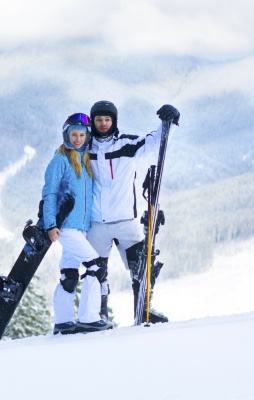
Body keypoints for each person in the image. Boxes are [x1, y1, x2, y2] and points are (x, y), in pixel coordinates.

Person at [86, 100, 180, 323]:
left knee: (144, 266)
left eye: (107, 119)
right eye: (98, 119)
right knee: (96, 273)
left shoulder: (126, 145)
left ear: (114, 121)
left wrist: (172, 121)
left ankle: (144, 309)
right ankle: (98, 316)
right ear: (92, 122)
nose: (103, 123)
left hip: (125, 222)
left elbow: (156, 142)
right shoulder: (84, 148)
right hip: (96, 224)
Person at [42, 112, 113, 334]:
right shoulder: (60, 160)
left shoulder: (85, 159)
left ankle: (63, 323)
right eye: (74, 134)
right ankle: (88, 318)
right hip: (66, 227)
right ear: (66, 134)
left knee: (70, 275)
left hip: (81, 228)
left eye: (82, 135)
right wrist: (50, 225)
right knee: (95, 267)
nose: (78, 139)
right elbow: (50, 193)